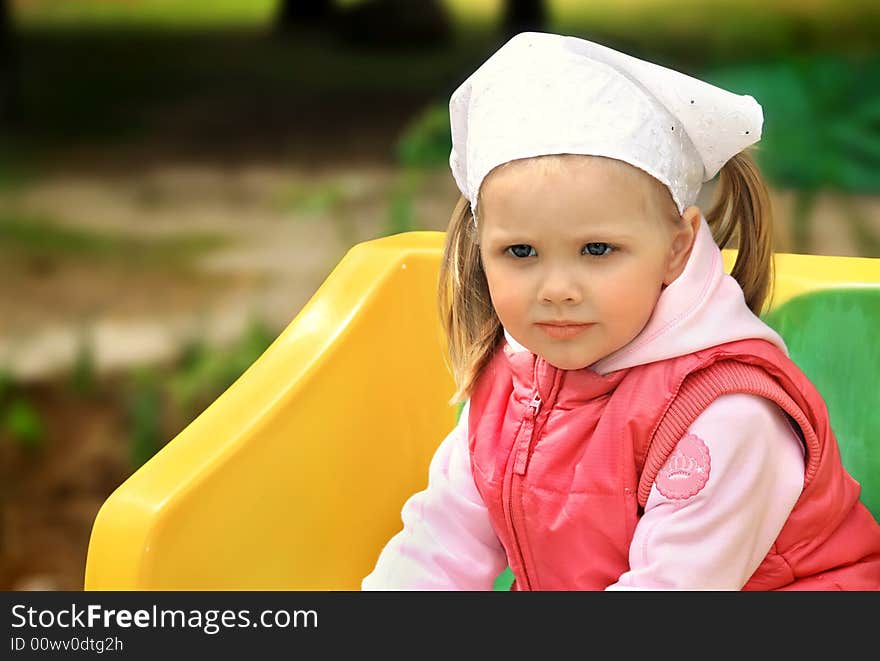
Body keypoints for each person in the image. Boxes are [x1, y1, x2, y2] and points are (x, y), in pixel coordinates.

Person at [362, 31, 880, 590]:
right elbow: (443, 541)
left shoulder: (724, 415)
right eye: (520, 252)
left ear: (677, 246)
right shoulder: (509, 389)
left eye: (597, 250)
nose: (557, 289)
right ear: (481, 248)